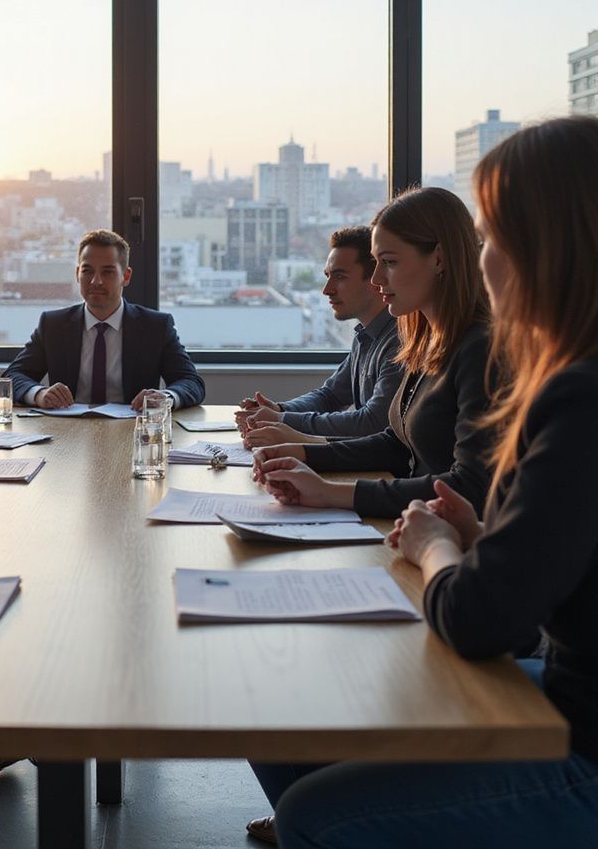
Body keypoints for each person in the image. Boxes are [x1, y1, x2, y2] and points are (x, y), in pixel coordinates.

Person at [247, 117, 598, 848]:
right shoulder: (562, 382)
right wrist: (477, 538)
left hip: (579, 739)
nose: (486, 258)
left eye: (493, 237)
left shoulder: (576, 397)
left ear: (549, 248)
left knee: (313, 815)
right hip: (562, 696)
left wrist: (438, 547)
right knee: (275, 708)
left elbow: (479, 622)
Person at [252, 187, 492, 520]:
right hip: (410, 523)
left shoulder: (480, 349)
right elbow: (396, 444)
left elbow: (469, 486)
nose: (377, 279)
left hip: (439, 532)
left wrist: (329, 492)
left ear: (438, 258)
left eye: (389, 263)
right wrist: (303, 452)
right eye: (377, 263)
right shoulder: (424, 339)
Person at [3, 228, 205, 410]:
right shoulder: (54, 325)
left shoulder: (156, 327)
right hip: (68, 434)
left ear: (126, 276)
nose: (95, 281)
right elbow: (12, 377)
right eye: (87, 271)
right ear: (77, 274)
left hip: (132, 433)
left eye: (107, 272)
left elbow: (190, 382)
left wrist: (165, 397)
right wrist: (40, 394)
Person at [236, 226, 401, 445]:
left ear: (375, 280)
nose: (327, 289)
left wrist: (282, 420)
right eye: (327, 277)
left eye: (339, 277)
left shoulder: (399, 341)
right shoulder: (365, 336)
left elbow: (373, 422)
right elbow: (330, 396)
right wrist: (279, 409)